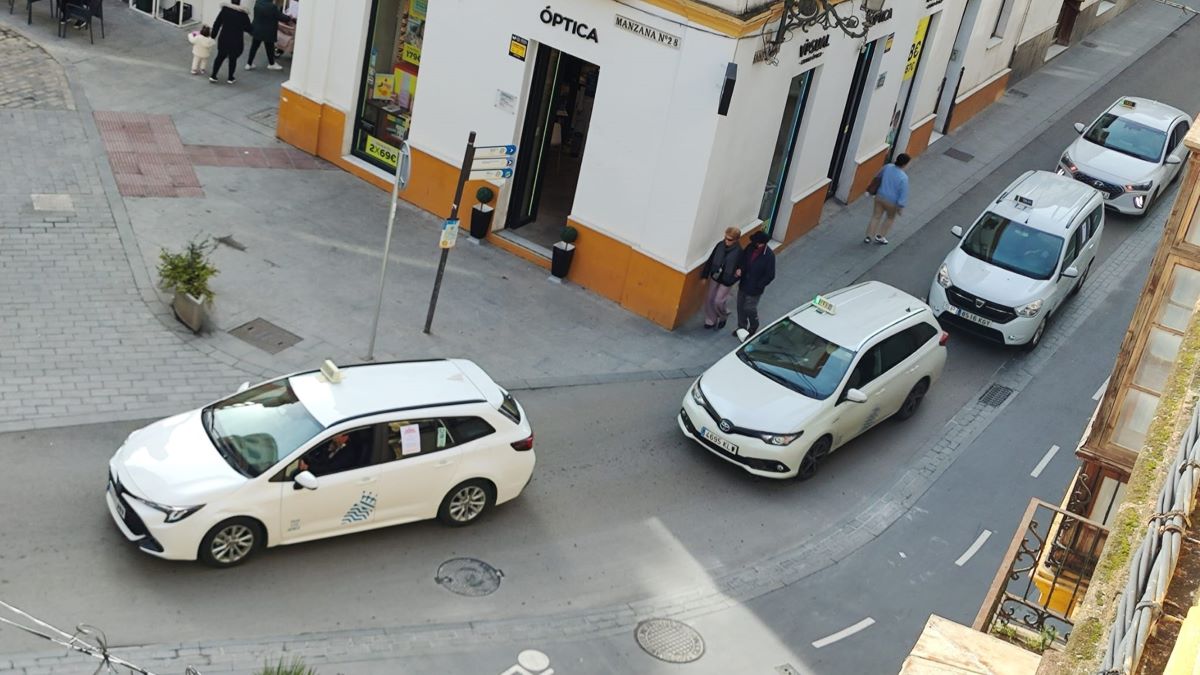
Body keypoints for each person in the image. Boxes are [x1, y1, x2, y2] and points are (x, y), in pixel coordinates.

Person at [734, 231, 776, 337]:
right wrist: (740, 268)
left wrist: (759, 285)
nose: (755, 244)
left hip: (755, 288)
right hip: (744, 283)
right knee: (740, 307)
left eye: (757, 243)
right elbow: (743, 260)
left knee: (749, 308)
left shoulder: (769, 256)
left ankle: (754, 326)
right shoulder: (750, 247)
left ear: (763, 243)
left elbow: (770, 275)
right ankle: (741, 328)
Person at [700, 227, 742, 330]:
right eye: (725, 238)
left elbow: (742, 267)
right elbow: (711, 259)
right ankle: (711, 319)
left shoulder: (739, 252)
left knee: (718, 301)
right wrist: (705, 275)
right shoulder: (720, 245)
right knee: (709, 298)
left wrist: (734, 278)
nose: (726, 241)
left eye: (729, 239)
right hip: (715, 275)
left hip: (727, 279)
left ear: (736, 240)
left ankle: (723, 316)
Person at [864, 153, 911, 245]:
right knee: (890, 218)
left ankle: (868, 237)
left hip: (880, 196)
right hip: (892, 202)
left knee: (876, 216)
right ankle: (880, 236)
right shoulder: (904, 178)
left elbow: (878, 177)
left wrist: (870, 190)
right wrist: (900, 206)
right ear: (904, 164)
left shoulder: (888, 167)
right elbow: (903, 192)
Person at [210, 0, 252, 84]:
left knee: (220, 57)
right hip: (236, 40)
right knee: (233, 59)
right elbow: (249, 28)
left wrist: (213, 35)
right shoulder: (243, 14)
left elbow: (217, 23)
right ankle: (230, 78)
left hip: (224, 38)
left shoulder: (225, 10)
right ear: (239, 2)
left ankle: (213, 75)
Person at [247, 0, 285, 71]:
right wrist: (289, 18)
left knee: (254, 47)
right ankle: (271, 64)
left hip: (257, 29)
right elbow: (280, 17)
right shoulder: (272, 7)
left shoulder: (258, 2)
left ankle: (249, 64)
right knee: (269, 48)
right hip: (268, 31)